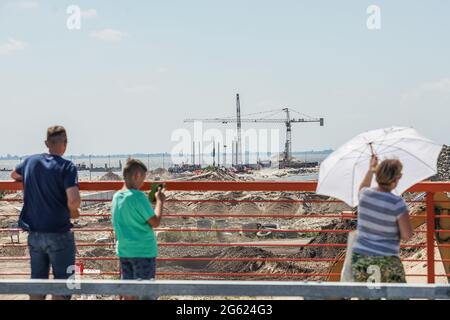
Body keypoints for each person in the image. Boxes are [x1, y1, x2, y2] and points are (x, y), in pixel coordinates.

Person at [10, 126, 80, 300]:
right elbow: (73, 200)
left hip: (34, 234)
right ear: (65, 143)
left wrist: (30, 178)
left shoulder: (30, 162)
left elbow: (13, 174)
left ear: (46, 143)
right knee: (66, 284)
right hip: (60, 233)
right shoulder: (67, 167)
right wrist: (74, 211)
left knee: (37, 283)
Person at [351, 155, 414, 283]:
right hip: (387, 259)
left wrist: (370, 169)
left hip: (361, 258)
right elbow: (407, 235)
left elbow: (363, 186)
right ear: (395, 179)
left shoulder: (364, 195)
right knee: (398, 296)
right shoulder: (397, 203)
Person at [111, 159, 165, 300]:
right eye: (143, 178)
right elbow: (155, 222)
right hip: (143, 253)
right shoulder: (139, 197)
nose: (143, 183)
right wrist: (159, 201)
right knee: (145, 294)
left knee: (129, 293)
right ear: (136, 175)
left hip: (124, 252)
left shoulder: (116, 197)